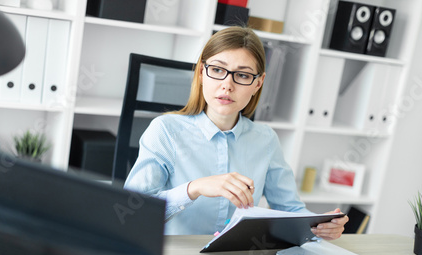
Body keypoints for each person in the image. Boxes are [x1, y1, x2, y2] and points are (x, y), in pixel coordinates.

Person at [124, 26, 348, 237]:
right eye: (218, 70)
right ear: (202, 73)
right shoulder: (165, 131)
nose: (227, 85)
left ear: (258, 84)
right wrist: (196, 188)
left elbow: (289, 208)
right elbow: (133, 213)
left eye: (242, 75)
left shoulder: (266, 139)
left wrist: (320, 225)